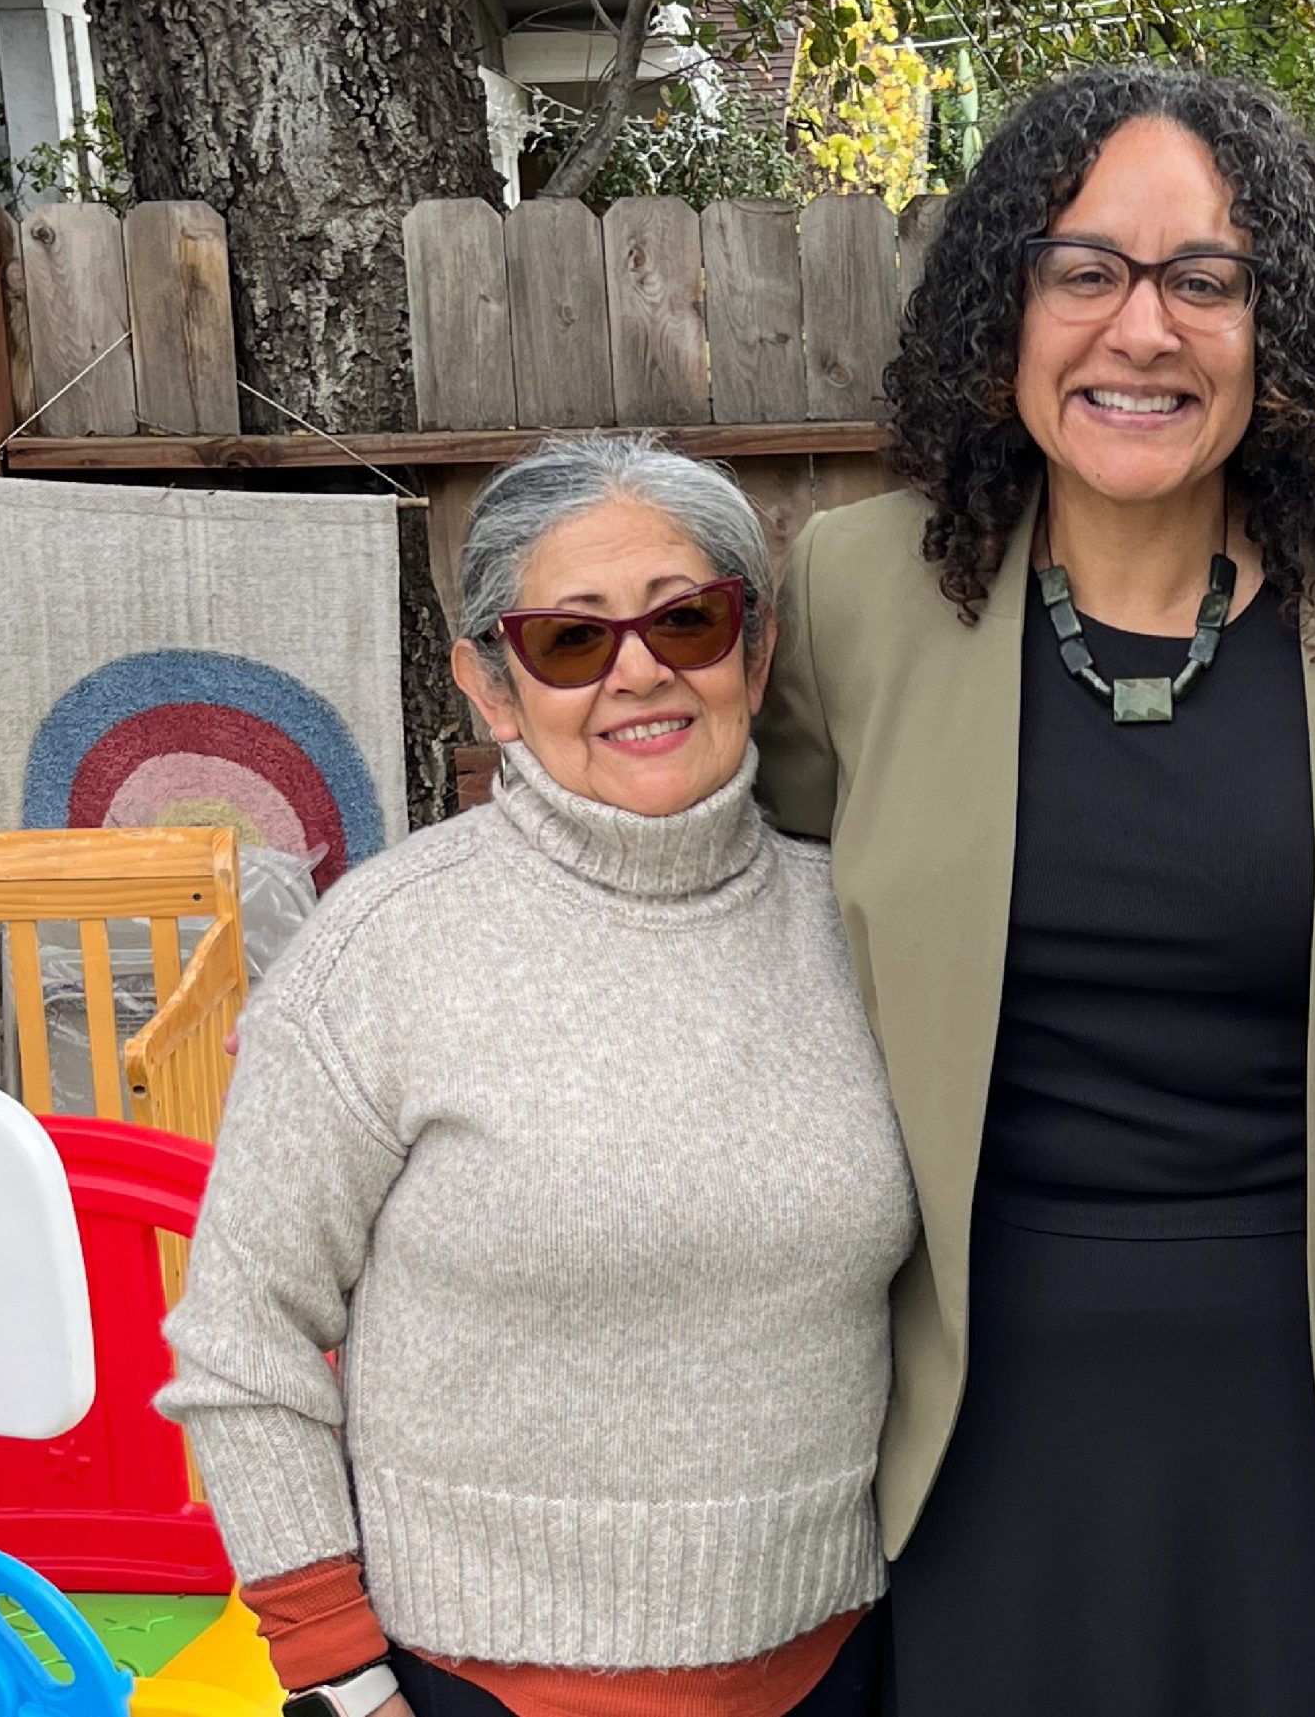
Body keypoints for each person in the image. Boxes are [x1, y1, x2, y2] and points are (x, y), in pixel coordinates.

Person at [754, 64, 1315, 1717]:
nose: (1144, 329)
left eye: (1207, 279)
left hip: (1314, 1394)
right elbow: (748, 924)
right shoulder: (851, 598)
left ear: (1284, 327)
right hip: (965, 1396)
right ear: (1005, 308)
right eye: (1085, 270)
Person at [160, 438, 915, 1717]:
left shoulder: (867, 928)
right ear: (492, 686)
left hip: (838, 1668)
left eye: (688, 620)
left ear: (758, 647)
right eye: (570, 640)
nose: (639, 672)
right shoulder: (378, 954)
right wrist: (337, 1677)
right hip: (463, 1683)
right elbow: (244, 1341)